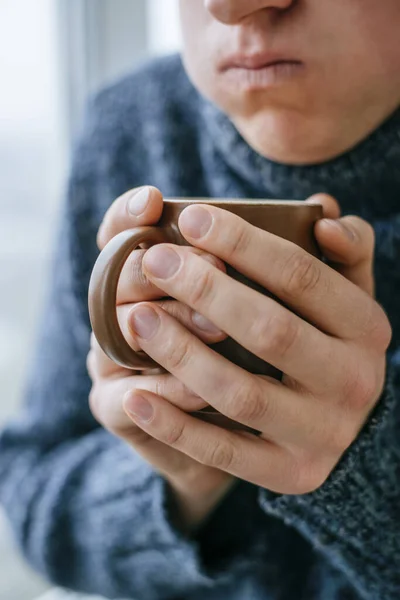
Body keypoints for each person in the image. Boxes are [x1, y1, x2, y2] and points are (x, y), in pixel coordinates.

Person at [1, 1, 399, 598]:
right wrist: (185, 475)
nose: (230, 5)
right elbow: (31, 494)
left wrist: (367, 463)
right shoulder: (133, 122)